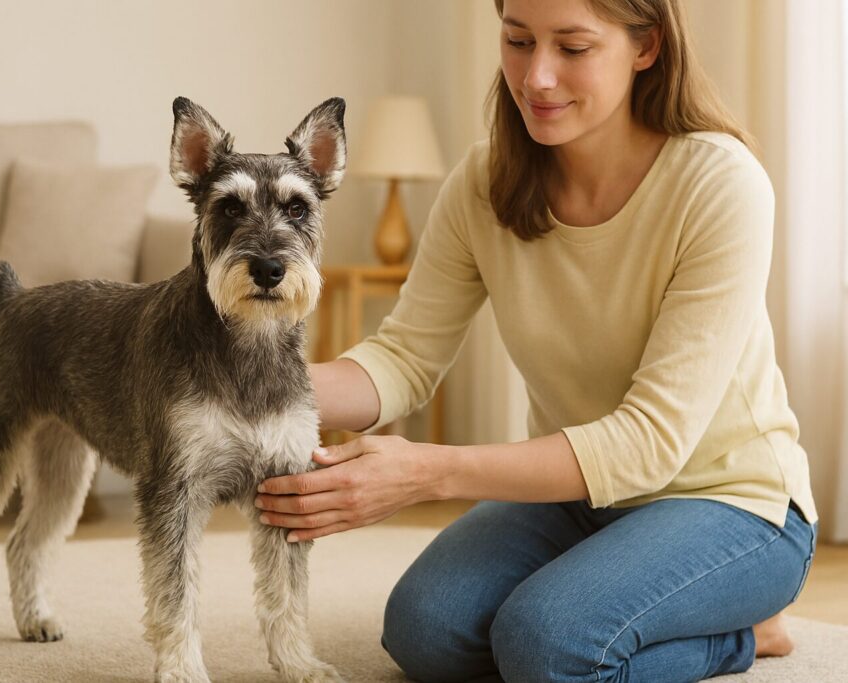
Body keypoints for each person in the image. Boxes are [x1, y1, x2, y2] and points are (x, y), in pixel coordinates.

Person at [255, 0, 819, 680]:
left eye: (573, 48)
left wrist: (426, 471)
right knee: (424, 629)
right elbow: (403, 358)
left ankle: (746, 634)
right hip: (578, 497)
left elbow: (648, 442)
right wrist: (249, 388)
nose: (538, 78)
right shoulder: (483, 180)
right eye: (518, 40)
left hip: (732, 504)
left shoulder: (720, 184)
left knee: (546, 645)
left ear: (647, 47)